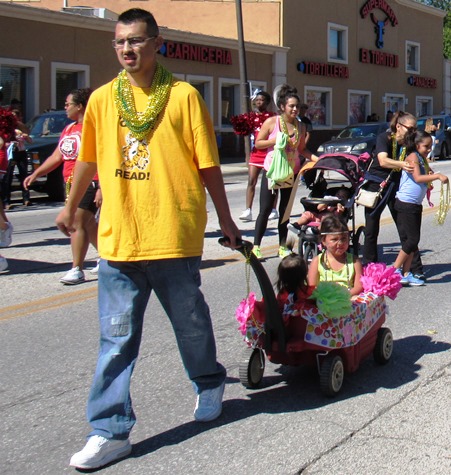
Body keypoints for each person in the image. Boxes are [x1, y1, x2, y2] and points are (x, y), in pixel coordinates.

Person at [55, 9, 241, 471]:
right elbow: (89, 160)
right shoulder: (100, 99)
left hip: (173, 235)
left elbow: (207, 166)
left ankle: (208, 380)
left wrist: (225, 220)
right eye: (120, 42)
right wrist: (69, 204)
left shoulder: (183, 98)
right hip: (119, 241)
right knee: (115, 341)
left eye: (136, 41)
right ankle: (109, 430)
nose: (127, 50)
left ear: (157, 43)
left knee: (191, 325)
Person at [24, 88, 101, 284]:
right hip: (70, 183)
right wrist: (37, 173)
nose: (65, 108)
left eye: (68, 104)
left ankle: (77, 269)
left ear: (80, 106)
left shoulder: (94, 128)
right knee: (88, 224)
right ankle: (108, 257)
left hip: (90, 182)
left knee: (76, 222)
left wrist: (101, 187)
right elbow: (57, 156)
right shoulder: (68, 129)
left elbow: (102, 158)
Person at [252, 84, 318, 260]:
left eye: (297, 106)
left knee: (285, 211)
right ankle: (256, 246)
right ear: (282, 107)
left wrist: (318, 160)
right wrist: (275, 140)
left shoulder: (301, 126)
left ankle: (283, 246)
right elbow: (258, 143)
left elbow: (303, 149)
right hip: (272, 172)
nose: (295, 109)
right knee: (265, 209)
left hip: (291, 172)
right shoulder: (272, 122)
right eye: (291, 106)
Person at [362, 111, 425, 281]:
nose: (413, 132)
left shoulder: (409, 144)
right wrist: (403, 164)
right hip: (377, 183)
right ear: (398, 126)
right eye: (410, 128)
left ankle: (414, 268)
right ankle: (369, 266)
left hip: (396, 186)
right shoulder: (384, 138)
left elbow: (418, 160)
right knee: (371, 227)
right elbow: (383, 160)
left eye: (415, 129)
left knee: (405, 229)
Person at [393, 131, 448, 286]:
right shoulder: (412, 157)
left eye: (430, 146)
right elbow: (417, 178)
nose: (429, 149)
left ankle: (406, 272)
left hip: (415, 204)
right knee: (411, 240)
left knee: (412, 241)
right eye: (426, 146)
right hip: (406, 204)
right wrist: (437, 176)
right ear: (417, 145)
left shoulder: (421, 158)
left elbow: (425, 172)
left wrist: (430, 171)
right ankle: (395, 269)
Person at [238, 91, 278, 222]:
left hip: (269, 154)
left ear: (267, 102)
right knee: (251, 181)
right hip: (256, 154)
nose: (259, 102)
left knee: (272, 183)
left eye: (262, 100)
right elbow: (243, 130)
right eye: (257, 100)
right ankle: (248, 210)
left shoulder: (273, 117)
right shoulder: (251, 117)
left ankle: (273, 209)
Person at [308, 215, 363, 297]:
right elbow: (311, 287)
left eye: (343, 239)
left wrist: (341, 296)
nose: (340, 243)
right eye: (334, 239)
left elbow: (359, 287)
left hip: (347, 300)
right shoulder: (317, 261)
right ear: (323, 241)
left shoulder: (354, 262)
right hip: (325, 302)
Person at [2, 108, 33, 209]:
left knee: (24, 175)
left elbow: (29, 139)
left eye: (15, 117)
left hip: (21, 152)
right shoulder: (7, 129)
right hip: (11, 154)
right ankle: (6, 201)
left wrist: (24, 135)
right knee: (8, 177)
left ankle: (26, 198)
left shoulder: (20, 127)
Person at [0, 106, 16, 271]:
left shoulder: (4, 116)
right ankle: (4, 225)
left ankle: (4, 226)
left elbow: (1, 141)